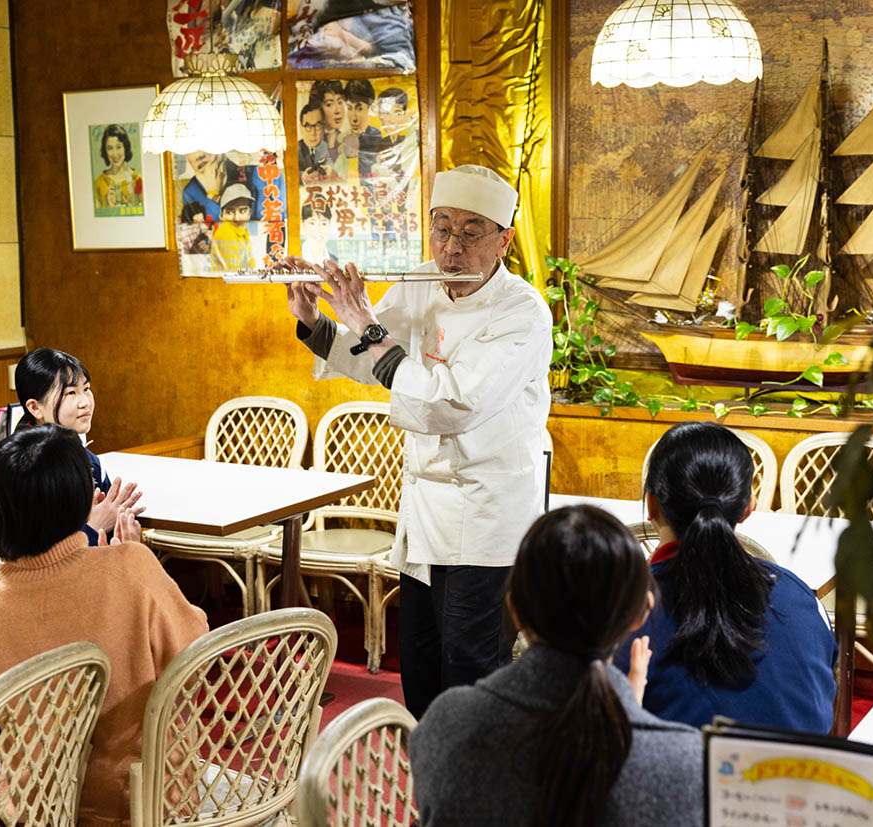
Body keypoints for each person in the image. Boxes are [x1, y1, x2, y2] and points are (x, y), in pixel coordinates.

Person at [284, 164, 551, 718]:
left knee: (473, 663)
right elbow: (370, 358)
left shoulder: (522, 313)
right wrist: (313, 319)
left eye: (471, 232)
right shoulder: (421, 282)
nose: (452, 247)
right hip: (425, 510)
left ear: (503, 240)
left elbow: (451, 403)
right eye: (441, 228)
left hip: (487, 514)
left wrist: (367, 324)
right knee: (423, 659)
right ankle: (433, 779)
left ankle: (484, 789)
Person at [0, 424, 208, 827]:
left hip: (35, 803)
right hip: (141, 801)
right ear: (79, 501)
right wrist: (135, 563)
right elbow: (194, 655)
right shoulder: (130, 567)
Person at [410, 506, 703, 827]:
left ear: (514, 609)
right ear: (641, 614)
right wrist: (630, 710)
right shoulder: (685, 764)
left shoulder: (446, 725)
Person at [613, 421, 838, 733]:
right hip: (799, 776)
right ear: (748, 506)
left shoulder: (620, 607)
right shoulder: (799, 598)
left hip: (672, 778)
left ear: (651, 504)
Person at [14, 348, 143, 546]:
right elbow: (34, 553)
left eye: (86, 389)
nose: (85, 402)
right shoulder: (20, 467)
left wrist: (125, 537)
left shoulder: (91, 462)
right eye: (71, 393)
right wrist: (93, 527)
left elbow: (109, 536)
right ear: (34, 407)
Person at [93, 124, 142, 210]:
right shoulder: (98, 184)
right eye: (110, 148)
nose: (115, 154)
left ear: (125, 148)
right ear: (105, 151)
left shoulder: (138, 180)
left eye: (118, 147)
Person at [341, 78, 380, 180]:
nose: (353, 118)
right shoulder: (342, 138)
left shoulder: (375, 136)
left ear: (370, 108)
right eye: (349, 108)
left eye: (359, 109)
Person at [211, 183, 256, 272]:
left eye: (242, 211)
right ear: (221, 215)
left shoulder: (242, 231)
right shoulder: (226, 232)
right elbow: (233, 273)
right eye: (230, 212)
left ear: (249, 214)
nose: (236, 218)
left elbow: (250, 263)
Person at [297, 102, 334, 185]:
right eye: (308, 126)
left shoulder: (323, 145)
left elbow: (328, 160)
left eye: (317, 125)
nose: (313, 133)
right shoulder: (296, 149)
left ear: (323, 127)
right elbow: (288, 171)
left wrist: (329, 168)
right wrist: (303, 176)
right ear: (301, 128)